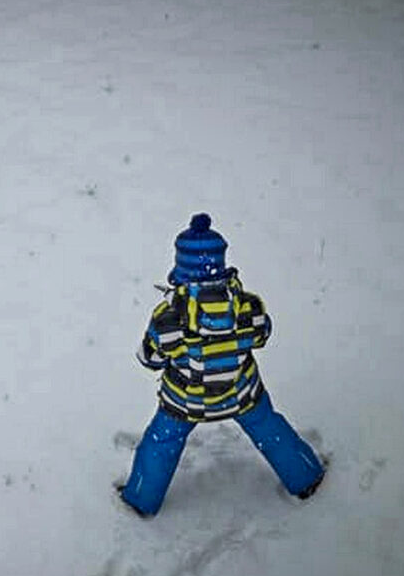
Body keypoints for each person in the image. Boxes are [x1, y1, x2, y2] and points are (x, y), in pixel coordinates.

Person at [119, 213, 325, 516]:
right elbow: (262, 334)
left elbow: (149, 357)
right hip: (242, 394)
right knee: (270, 428)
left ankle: (141, 500)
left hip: (185, 402)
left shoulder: (168, 318)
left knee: (161, 443)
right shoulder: (248, 306)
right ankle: (305, 477)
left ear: (179, 267)